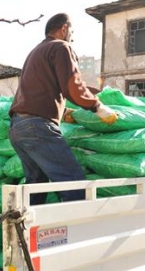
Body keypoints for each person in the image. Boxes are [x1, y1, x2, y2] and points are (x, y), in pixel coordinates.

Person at [9, 13, 117, 205]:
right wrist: (97, 106)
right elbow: (72, 86)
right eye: (72, 32)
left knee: (36, 186)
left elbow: (39, 89)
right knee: (73, 183)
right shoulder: (61, 47)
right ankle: (76, 232)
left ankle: (30, 232)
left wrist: (63, 112)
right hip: (37, 127)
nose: (73, 37)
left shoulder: (36, 52)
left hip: (18, 127)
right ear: (64, 28)